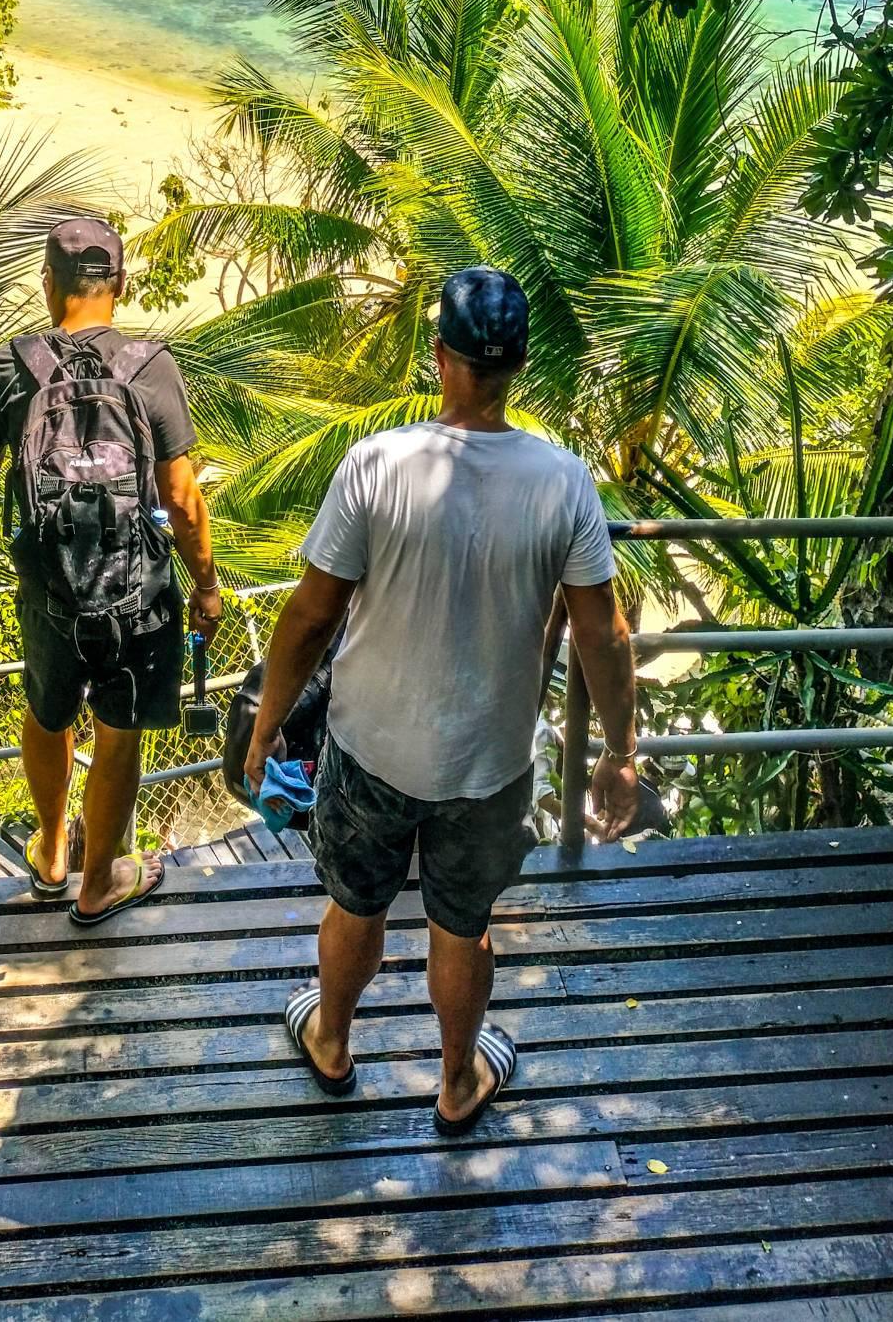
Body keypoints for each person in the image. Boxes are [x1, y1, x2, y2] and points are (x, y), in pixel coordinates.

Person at [245, 265, 639, 1134]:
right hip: (488, 763)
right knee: (462, 926)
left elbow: (310, 616)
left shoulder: (376, 463)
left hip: (369, 747)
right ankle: (457, 1081)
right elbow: (601, 636)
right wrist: (618, 751)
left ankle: (333, 1043)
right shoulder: (562, 480)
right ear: (520, 364)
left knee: (355, 903)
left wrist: (268, 724)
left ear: (439, 358)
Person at [0, 216, 221, 925]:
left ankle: (47, 850)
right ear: (119, 285)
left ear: (49, 284)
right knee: (118, 728)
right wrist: (207, 584)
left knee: (47, 712)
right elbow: (183, 500)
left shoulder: (12, 364)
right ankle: (99, 880)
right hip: (133, 590)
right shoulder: (149, 365)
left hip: (49, 588)